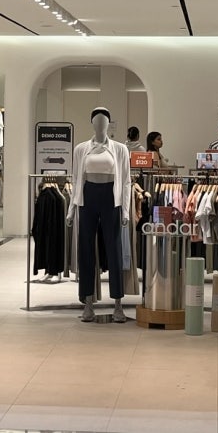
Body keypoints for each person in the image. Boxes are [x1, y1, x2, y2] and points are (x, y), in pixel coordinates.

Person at [67, 107, 131, 323]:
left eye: (104, 121)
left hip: (111, 198)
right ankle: (87, 303)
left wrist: (125, 210)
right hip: (88, 197)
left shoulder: (120, 149)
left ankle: (118, 304)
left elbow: (126, 181)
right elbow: (76, 179)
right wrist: (71, 209)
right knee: (86, 250)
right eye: (97, 121)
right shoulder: (81, 149)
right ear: (92, 124)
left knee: (114, 249)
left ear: (108, 124)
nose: (100, 124)